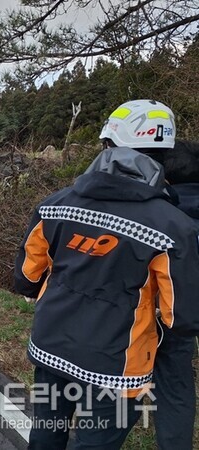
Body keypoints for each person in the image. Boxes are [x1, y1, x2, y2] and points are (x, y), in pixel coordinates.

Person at [14, 99, 199, 449]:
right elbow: (183, 317)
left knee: (45, 436)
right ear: (164, 152)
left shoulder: (54, 204)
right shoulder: (172, 227)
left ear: (108, 145)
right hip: (117, 367)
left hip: (50, 348)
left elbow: (26, 276)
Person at [150, 138, 199, 450]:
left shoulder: (159, 213)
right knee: (176, 384)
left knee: (172, 384)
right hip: (185, 310)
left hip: (167, 311)